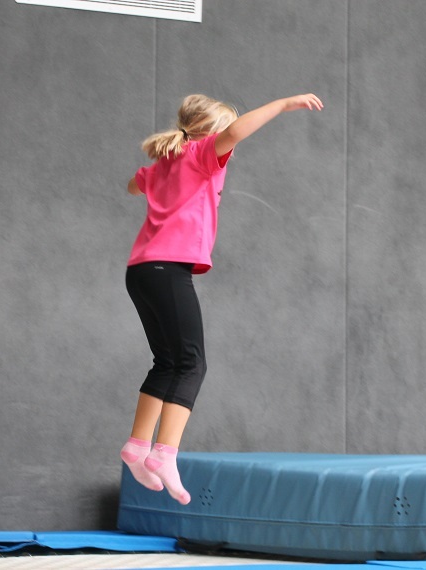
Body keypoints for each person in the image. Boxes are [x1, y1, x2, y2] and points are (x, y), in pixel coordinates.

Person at [121, 92, 324, 504]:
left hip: (141, 270)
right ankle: (165, 453)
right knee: (193, 362)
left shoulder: (165, 160)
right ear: (208, 132)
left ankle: (138, 446)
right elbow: (235, 131)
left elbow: (132, 185)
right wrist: (284, 105)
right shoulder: (200, 154)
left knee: (168, 362)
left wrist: (160, 183)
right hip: (168, 268)